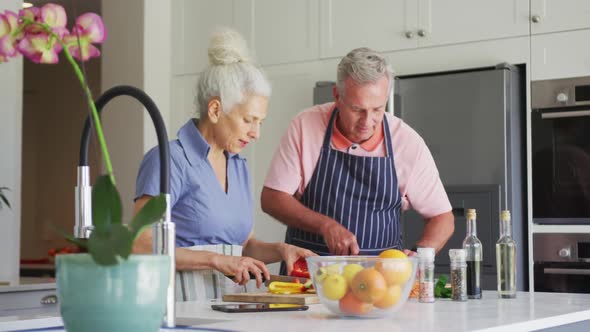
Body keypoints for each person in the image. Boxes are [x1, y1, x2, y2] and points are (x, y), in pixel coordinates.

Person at [132, 29, 315, 301]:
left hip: (231, 307)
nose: (256, 133)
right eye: (248, 120)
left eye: (260, 122)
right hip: (178, 306)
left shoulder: (238, 165)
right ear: (215, 110)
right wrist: (216, 260)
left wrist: (281, 250)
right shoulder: (170, 160)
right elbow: (141, 245)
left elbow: (243, 247)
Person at [261, 47, 454, 260]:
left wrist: (419, 256)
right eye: (357, 109)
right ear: (337, 96)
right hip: (307, 278)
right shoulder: (305, 126)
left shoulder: (407, 142)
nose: (367, 122)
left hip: (380, 283)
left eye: (377, 109)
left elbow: (442, 217)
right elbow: (272, 198)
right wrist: (325, 225)